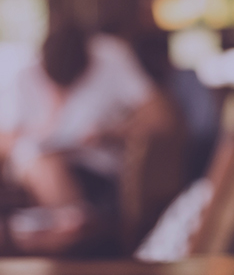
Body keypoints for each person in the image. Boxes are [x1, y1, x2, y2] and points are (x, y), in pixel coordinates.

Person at [0, 22, 178, 254]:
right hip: (36, 173)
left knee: (48, 171)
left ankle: (73, 235)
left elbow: (163, 118)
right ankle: (75, 230)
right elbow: (6, 141)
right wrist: (41, 133)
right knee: (43, 163)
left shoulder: (111, 57)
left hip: (99, 174)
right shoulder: (24, 76)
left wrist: (111, 133)